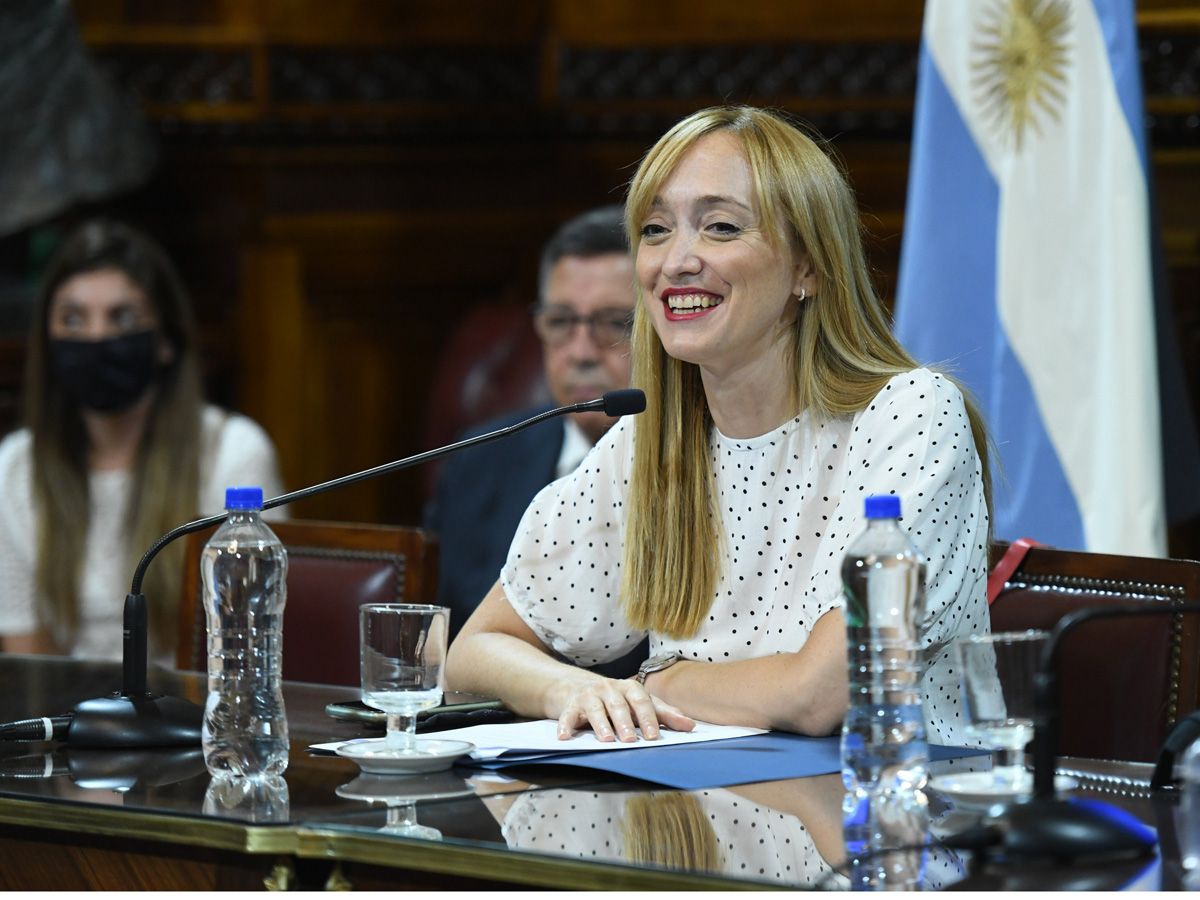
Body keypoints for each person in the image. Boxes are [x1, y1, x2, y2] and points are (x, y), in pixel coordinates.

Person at [445, 106, 992, 747]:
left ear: (807, 267)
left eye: (721, 227)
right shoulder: (652, 440)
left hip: (889, 820)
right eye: (654, 230)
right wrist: (571, 687)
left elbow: (825, 693)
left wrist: (663, 682)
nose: (676, 261)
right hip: (701, 821)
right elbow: (474, 654)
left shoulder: (911, 416)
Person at [0, 220, 285, 661]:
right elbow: (30, 665)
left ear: (166, 341)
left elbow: (250, 646)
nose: (96, 337)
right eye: (73, 319)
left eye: (123, 317)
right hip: (66, 723)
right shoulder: (13, 467)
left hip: (197, 718)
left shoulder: (233, 454)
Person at [424, 206, 638, 649]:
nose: (581, 351)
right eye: (561, 322)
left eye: (614, 322)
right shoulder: (480, 459)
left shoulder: (705, 466)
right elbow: (436, 640)